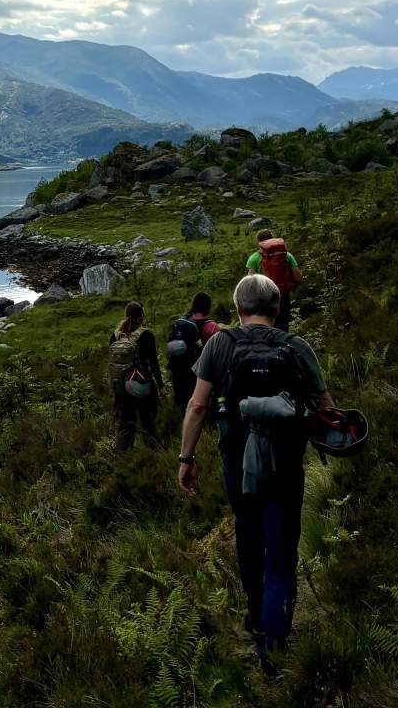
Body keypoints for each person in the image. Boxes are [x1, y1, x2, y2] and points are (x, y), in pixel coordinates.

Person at [177, 274, 334, 674]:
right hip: (285, 465)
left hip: (238, 465)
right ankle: (275, 640)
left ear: (238, 308)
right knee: (282, 544)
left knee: (248, 535)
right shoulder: (296, 346)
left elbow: (197, 407)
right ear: (277, 309)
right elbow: (326, 408)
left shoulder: (220, 344)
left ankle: (255, 615)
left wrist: (186, 458)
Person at [109, 302, 163, 450]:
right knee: (148, 420)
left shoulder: (115, 335)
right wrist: (161, 386)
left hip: (120, 386)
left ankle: (122, 458)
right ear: (141, 317)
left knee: (125, 424)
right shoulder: (146, 335)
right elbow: (153, 363)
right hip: (140, 384)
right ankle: (154, 454)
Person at [166, 291, 219, 413]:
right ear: (208, 306)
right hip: (196, 372)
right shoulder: (211, 326)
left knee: (182, 402)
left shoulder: (181, 321)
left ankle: (181, 424)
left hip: (177, 370)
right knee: (197, 404)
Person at [245, 229, 301, 329]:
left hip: (263, 299)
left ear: (259, 243)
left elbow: (249, 284)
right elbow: (298, 278)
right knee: (282, 327)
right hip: (283, 296)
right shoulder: (287, 255)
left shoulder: (254, 258)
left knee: (265, 327)